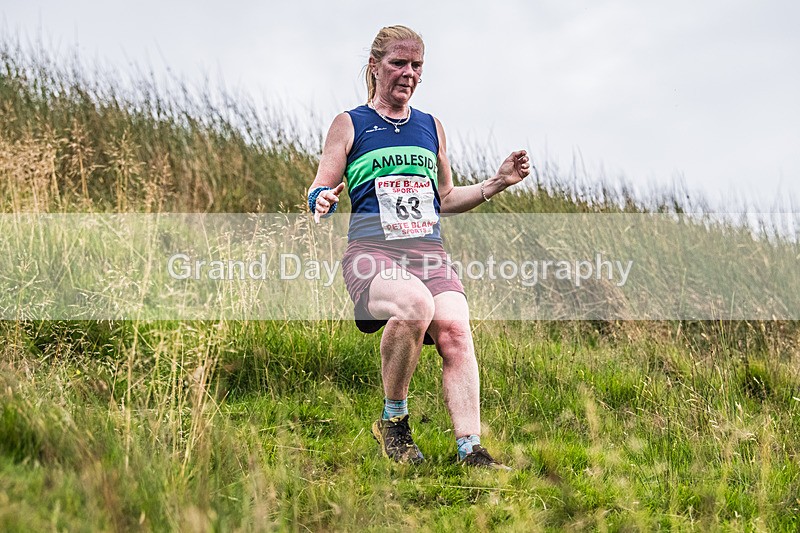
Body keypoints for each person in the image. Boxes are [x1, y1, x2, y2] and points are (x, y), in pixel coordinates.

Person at [307, 25, 531, 469]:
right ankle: (394, 423)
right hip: (374, 255)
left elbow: (444, 199)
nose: (408, 73)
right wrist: (323, 199)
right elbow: (319, 187)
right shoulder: (349, 124)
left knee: (455, 331)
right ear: (375, 67)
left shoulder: (431, 127)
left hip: (429, 255)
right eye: (398, 63)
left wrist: (497, 182)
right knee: (415, 305)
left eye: (416, 66)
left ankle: (472, 451)